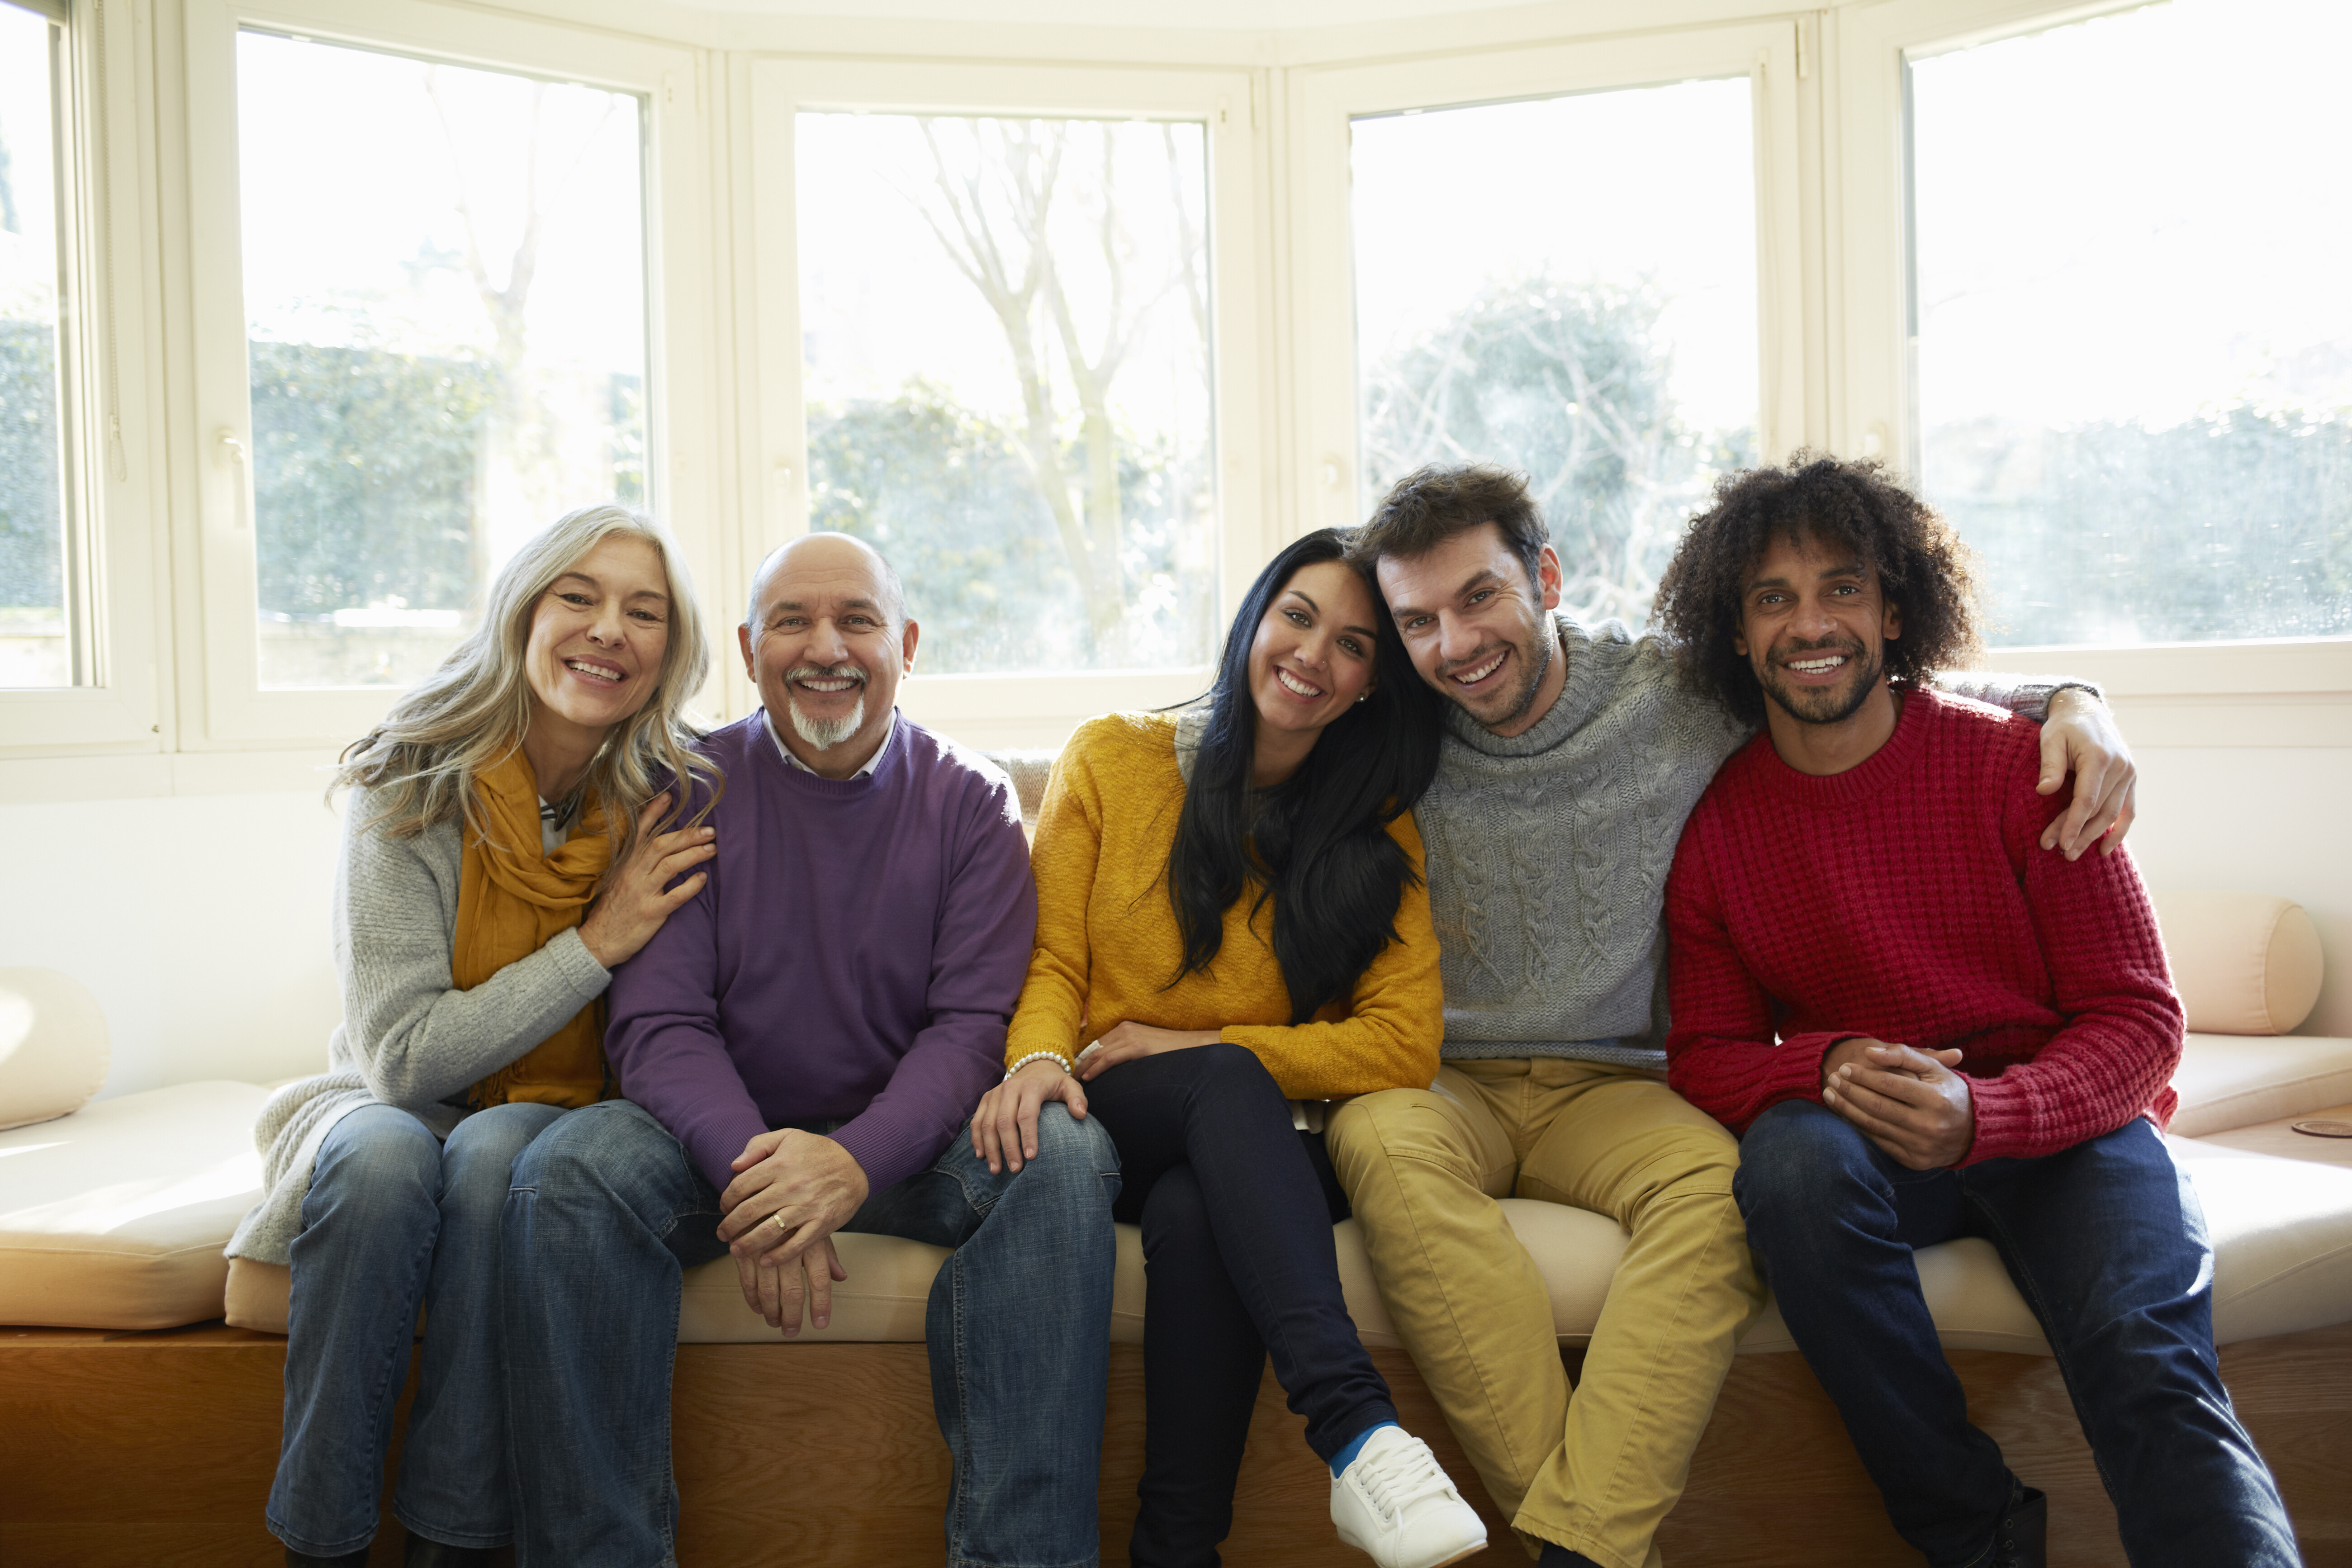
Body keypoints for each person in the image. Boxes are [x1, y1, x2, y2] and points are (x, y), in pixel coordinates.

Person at [1325, 463, 2141, 1568]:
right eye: (1416, 620)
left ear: (1547, 576)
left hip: (1616, 1081)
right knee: (1373, 1137)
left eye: (1479, 598)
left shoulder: (1670, 692)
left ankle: (1578, 1546)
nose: (1453, 643)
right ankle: (1590, 1550)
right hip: (1439, 1074)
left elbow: (1852, 670)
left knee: (1726, 1196)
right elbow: (1232, 735)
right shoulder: (1384, 731)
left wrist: (2072, 701)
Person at [1655, 455, 2298, 1568]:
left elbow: (2138, 1019)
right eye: (1773, 598)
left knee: (2147, 1357)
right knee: (1789, 1167)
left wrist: (1987, 1115)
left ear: (1895, 609)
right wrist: (1830, 1063)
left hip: (2069, 1135)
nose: (1810, 623)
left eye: (1840, 588)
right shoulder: (1717, 830)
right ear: (1736, 632)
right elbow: (1705, 1052)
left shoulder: (2022, 766)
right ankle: (1976, 1533)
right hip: (1875, 1136)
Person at [499, 531, 1120, 1568]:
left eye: (856, 620)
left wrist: (847, 1166)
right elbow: (659, 1028)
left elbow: (970, 1031)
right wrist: (769, 1183)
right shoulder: (683, 786)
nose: (823, 647)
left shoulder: (970, 803)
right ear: (749, 648)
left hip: (905, 1149)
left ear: (906, 643)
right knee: (568, 1172)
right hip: (722, 1148)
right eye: (791, 621)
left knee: (1061, 1161)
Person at [972, 528, 1490, 1568]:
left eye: (1351, 644)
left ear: (1369, 685)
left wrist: (1203, 1036)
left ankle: (1178, 1550)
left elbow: (1401, 1042)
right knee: (1213, 1082)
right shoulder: (1112, 757)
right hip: (1111, 1106)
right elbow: (1053, 967)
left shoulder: (1373, 829)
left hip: (1263, 1142)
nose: (1311, 655)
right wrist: (1035, 1061)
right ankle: (1355, 1434)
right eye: (1296, 617)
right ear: (1253, 619)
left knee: (1201, 1194)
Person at [225, 505, 723, 1568]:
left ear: (669, 654)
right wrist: (598, 942)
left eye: (645, 612)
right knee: (381, 1167)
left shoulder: (671, 798)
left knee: (500, 1155)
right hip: (381, 1098)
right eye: (578, 597)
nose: (609, 631)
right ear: (522, 612)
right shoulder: (407, 777)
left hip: (559, 1110)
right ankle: (319, 1542)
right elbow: (400, 1057)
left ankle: (449, 1546)